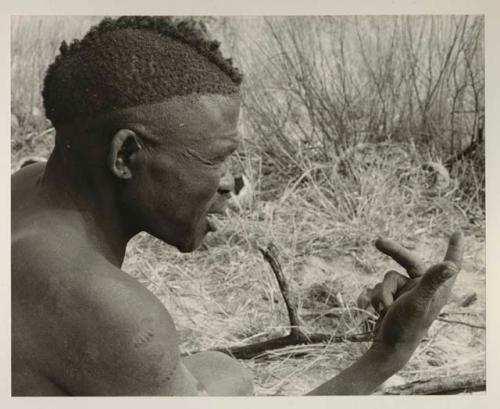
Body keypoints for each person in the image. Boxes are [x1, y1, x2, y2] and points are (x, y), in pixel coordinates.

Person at [11, 16, 463, 396]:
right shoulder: (108, 311)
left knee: (223, 373)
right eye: (214, 158)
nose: (229, 182)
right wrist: (385, 355)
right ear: (125, 156)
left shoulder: (24, 189)